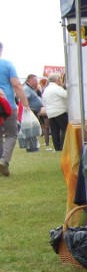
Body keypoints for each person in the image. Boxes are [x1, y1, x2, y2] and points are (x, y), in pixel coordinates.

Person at [0, 42, 29, 176]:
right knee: (12, 134)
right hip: (7, 105)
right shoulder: (7, 64)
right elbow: (17, 85)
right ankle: (4, 161)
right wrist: (25, 103)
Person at [41, 73, 68, 152]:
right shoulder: (57, 88)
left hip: (50, 112)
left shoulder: (46, 89)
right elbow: (66, 95)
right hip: (60, 111)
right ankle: (64, 146)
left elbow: (43, 101)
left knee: (54, 130)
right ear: (57, 80)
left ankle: (57, 147)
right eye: (59, 79)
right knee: (65, 129)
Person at [23, 74, 44, 152]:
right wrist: (28, 110)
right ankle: (32, 147)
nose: (37, 82)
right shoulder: (26, 89)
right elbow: (24, 99)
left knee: (33, 130)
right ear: (30, 80)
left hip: (33, 111)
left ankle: (33, 147)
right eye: (35, 80)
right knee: (32, 130)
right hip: (31, 111)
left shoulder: (30, 89)